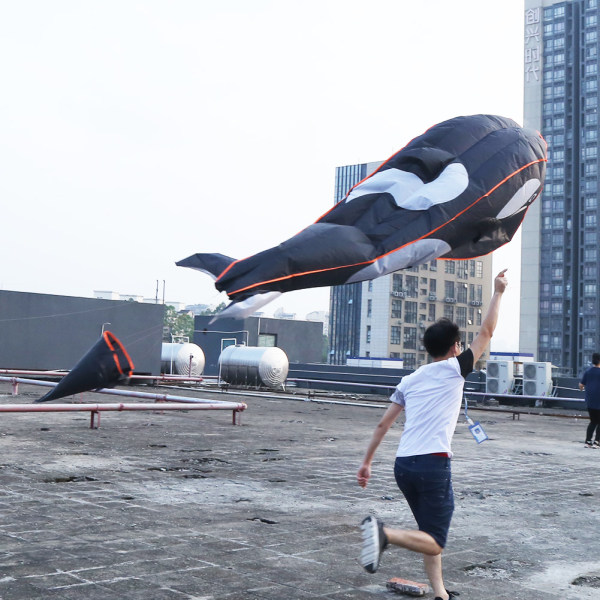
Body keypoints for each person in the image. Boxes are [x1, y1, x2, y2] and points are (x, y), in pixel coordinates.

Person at [357, 269, 508, 600]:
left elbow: (383, 424)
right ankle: (384, 534)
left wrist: (366, 463)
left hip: (403, 466)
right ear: (455, 347)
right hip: (432, 464)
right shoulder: (456, 368)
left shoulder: (411, 379)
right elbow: (487, 330)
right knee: (436, 539)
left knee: (428, 532)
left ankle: (440, 593)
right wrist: (498, 291)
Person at [579, 353, 600, 448]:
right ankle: (597, 442)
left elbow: (581, 386)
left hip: (590, 401)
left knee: (593, 421)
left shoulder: (588, 371)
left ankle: (588, 442)